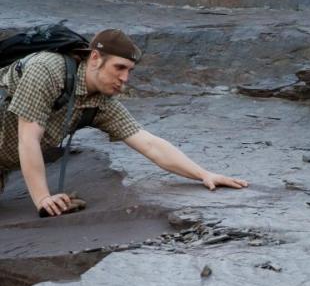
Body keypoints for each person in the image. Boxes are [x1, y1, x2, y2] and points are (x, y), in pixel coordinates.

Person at [0, 29, 248, 216]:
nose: (125, 78)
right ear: (95, 58)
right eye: (119, 67)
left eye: (129, 70)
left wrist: (203, 174)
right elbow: (28, 138)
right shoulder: (47, 70)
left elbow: (149, 143)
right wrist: (43, 199)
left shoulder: (100, 103)